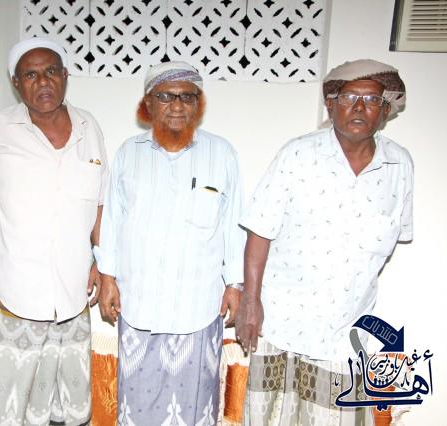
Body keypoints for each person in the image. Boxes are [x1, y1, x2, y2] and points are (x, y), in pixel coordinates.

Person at [235, 59, 412, 425]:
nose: (360, 107)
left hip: (344, 333)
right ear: (331, 105)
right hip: (280, 324)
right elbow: (260, 230)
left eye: (372, 99)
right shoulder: (297, 155)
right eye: (349, 97)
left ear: (385, 111)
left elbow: (394, 239)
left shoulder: (400, 166)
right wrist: (250, 302)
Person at [96, 61, 245, 425]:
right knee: (138, 405)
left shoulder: (221, 154)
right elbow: (112, 221)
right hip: (139, 305)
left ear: (198, 103)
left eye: (187, 97)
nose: (177, 105)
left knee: (194, 408)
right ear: (148, 103)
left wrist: (235, 284)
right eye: (166, 96)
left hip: (198, 308)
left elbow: (233, 224)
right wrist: (107, 277)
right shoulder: (128, 153)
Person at [0, 37, 108, 425]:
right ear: (16, 83)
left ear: (65, 76)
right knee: (9, 406)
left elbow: (99, 204)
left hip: (72, 295)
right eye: (30, 75)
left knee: (66, 405)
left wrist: (101, 260)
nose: (43, 81)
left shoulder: (89, 128)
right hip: (15, 293)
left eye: (50, 71)